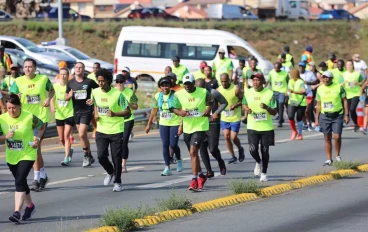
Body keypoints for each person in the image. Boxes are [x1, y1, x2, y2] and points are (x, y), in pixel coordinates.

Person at [10, 58, 54, 191]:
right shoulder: (18, 81)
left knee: (34, 147)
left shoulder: (43, 79)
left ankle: (35, 179)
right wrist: (15, 96)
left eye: (30, 67)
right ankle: (43, 175)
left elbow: (52, 90)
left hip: (40, 118)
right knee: (36, 149)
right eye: (25, 67)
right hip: (26, 119)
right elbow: (11, 97)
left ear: (35, 68)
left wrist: (48, 98)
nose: (27, 69)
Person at [0, 94, 43, 222]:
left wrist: (37, 138)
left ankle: (17, 212)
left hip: (28, 153)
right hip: (12, 156)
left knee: (19, 180)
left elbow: (41, 126)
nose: (11, 111)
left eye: (14, 108)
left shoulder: (28, 116)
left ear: (20, 106)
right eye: (8, 108)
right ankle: (30, 206)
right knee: (21, 182)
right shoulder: (2, 119)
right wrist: (5, 137)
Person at [90, 69, 131, 192]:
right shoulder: (95, 92)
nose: (100, 83)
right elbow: (96, 105)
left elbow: (127, 111)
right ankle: (110, 172)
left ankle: (118, 182)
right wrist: (96, 114)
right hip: (101, 129)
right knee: (101, 156)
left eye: (103, 81)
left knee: (116, 157)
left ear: (108, 80)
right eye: (99, 81)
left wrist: (115, 114)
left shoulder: (118, 94)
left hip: (116, 130)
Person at [172, 73, 211, 191]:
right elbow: (174, 107)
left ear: (194, 83)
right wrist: (180, 113)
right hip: (188, 127)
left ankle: (194, 180)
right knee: (192, 154)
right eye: (185, 84)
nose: (187, 86)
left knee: (194, 151)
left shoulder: (203, 92)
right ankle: (201, 175)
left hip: (200, 126)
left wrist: (208, 109)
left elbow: (211, 101)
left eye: (189, 84)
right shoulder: (178, 94)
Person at [242, 72, 277, 182]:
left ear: (263, 82)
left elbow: (274, 112)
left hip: (266, 127)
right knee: (252, 149)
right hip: (252, 126)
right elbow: (244, 103)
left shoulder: (270, 94)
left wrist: (267, 107)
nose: (255, 82)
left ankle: (264, 173)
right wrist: (246, 109)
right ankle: (258, 161)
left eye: (257, 80)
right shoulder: (247, 93)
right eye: (254, 80)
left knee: (265, 150)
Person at [145, 77, 184, 176]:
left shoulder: (175, 95)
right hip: (163, 123)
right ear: (160, 87)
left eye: (166, 85)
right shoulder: (157, 96)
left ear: (170, 86)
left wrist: (181, 125)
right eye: (162, 86)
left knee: (173, 144)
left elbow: (181, 109)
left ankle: (179, 159)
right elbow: (154, 110)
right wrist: (149, 124)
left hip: (175, 122)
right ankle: (167, 167)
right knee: (165, 144)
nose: (165, 87)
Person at [65, 62, 99, 167]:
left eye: (81, 67)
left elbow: (100, 91)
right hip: (76, 111)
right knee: (83, 136)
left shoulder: (89, 82)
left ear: (84, 69)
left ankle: (85, 155)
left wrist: (93, 100)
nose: (79, 69)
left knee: (81, 133)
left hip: (87, 111)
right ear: (74, 69)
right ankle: (89, 155)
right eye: (77, 67)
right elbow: (65, 97)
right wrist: (69, 96)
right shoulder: (70, 83)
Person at [315, 71, 349, 166]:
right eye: (324, 77)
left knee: (337, 136)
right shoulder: (319, 89)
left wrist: (347, 115)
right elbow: (318, 104)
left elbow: (345, 101)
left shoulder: (339, 87)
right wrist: (316, 119)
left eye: (327, 77)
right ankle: (329, 159)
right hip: (324, 115)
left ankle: (337, 155)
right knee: (327, 137)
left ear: (331, 78)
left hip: (337, 115)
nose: (325, 79)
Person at [196, 77, 227, 177]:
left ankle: (220, 161)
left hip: (212, 123)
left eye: (202, 88)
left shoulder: (213, 92)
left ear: (206, 86)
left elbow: (224, 103)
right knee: (202, 147)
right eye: (198, 88)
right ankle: (209, 171)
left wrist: (216, 112)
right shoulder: (194, 94)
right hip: (200, 123)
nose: (201, 90)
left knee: (213, 148)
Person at [218, 73, 245, 164]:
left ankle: (240, 149)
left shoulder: (236, 89)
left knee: (233, 137)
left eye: (225, 81)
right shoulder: (219, 90)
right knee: (226, 136)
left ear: (229, 80)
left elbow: (243, 100)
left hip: (235, 117)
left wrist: (236, 105)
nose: (224, 83)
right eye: (222, 82)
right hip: (224, 117)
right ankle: (233, 156)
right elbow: (217, 102)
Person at [114, 74, 138, 172]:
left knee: (124, 142)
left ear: (124, 82)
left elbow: (136, 107)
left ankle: (123, 164)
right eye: (118, 82)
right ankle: (116, 162)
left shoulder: (129, 92)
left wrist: (128, 104)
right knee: (116, 142)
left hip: (128, 119)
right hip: (116, 120)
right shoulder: (112, 92)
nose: (119, 84)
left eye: (121, 82)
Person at [51, 68, 74, 166]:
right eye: (61, 74)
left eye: (65, 74)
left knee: (66, 135)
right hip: (59, 114)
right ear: (59, 75)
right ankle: (69, 150)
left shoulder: (70, 86)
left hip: (69, 113)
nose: (63, 76)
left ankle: (66, 157)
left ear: (68, 76)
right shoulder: (55, 86)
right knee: (61, 139)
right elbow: (52, 98)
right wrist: (52, 107)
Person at [343, 60, 364, 132]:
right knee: (350, 111)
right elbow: (339, 84)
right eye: (348, 65)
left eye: (350, 65)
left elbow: (362, 83)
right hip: (347, 94)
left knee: (352, 109)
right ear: (346, 66)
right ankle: (356, 123)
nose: (349, 66)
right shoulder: (343, 74)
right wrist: (342, 84)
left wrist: (357, 83)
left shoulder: (357, 74)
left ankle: (356, 124)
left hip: (356, 93)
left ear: (353, 66)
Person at [287, 69, 306, 140]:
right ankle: (294, 131)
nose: (290, 75)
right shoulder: (290, 81)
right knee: (290, 116)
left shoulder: (301, 82)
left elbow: (303, 92)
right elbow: (289, 90)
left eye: (291, 74)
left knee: (299, 118)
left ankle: (300, 134)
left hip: (301, 102)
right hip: (291, 101)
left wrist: (294, 92)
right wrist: (287, 93)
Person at [268, 62, 289, 128]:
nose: (276, 69)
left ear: (280, 67)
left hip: (282, 92)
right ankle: (281, 118)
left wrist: (287, 92)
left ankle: (280, 121)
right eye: (275, 68)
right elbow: (268, 81)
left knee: (281, 103)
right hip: (274, 92)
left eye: (277, 68)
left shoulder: (285, 73)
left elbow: (288, 82)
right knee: (276, 107)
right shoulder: (271, 73)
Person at [299, 62, 318, 131]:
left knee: (307, 110)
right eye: (300, 67)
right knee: (301, 111)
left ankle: (310, 123)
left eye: (302, 67)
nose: (301, 68)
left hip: (308, 93)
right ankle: (305, 124)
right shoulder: (297, 74)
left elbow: (316, 81)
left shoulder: (310, 74)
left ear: (304, 67)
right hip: (300, 95)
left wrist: (309, 83)